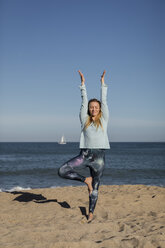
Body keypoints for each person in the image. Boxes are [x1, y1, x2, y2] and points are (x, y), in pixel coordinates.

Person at [58, 70, 110, 222]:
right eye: (91, 107)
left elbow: (105, 101)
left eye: (96, 107)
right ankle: (85, 180)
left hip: (99, 158)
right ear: (88, 109)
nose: (94, 109)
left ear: (100, 109)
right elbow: (83, 100)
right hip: (84, 155)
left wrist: (102, 84)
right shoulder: (84, 119)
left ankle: (91, 213)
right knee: (62, 171)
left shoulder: (104, 120)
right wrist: (83, 85)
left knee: (96, 188)